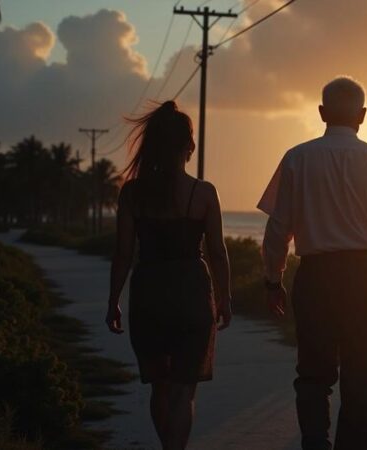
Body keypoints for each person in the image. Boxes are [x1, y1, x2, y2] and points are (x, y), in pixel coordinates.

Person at [259, 76, 367, 450]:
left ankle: (315, 443)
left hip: (316, 279)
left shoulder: (297, 158)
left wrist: (272, 280)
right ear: (362, 115)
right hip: (365, 282)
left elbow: (278, 229)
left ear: (321, 113)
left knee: (313, 374)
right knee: (360, 380)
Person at [105, 100, 232, 450]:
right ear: (189, 147)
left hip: (149, 295)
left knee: (160, 386)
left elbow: (123, 254)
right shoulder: (203, 194)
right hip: (192, 293)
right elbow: (218, 252)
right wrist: (226, 297)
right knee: (182, 390)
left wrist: (113, 301)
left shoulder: (132, 194)